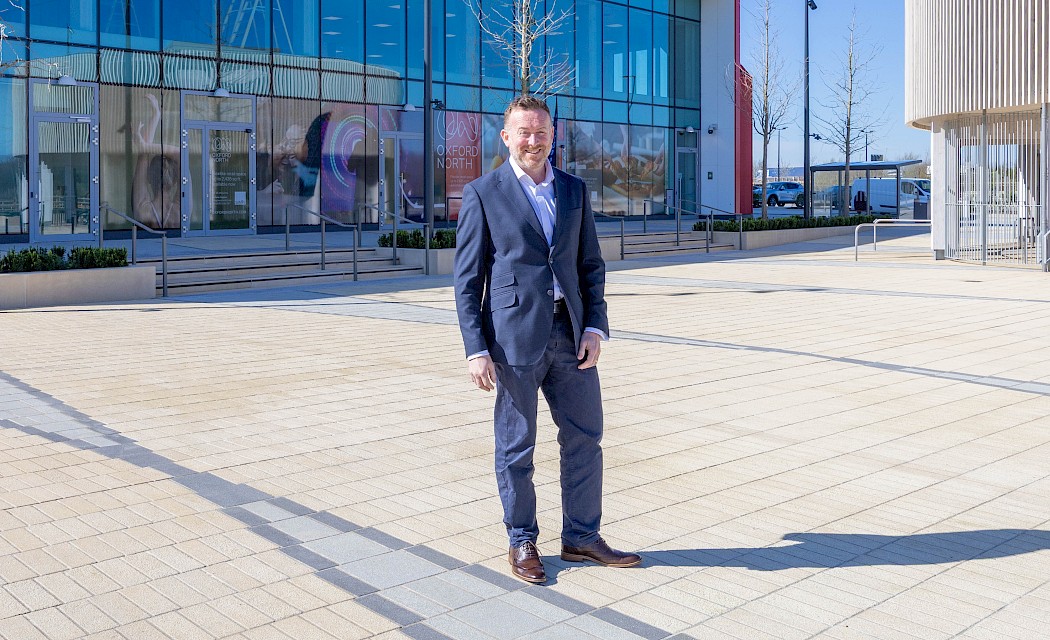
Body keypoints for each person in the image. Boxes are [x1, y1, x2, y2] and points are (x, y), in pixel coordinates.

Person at [454, 95, 640, 584]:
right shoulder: (483, 193)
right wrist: (476, 348)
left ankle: (581, 537)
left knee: (585, 438)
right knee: (517, 446)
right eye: (524, 132)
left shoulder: (574, 190)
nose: (533, 141)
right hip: (512, 340)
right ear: (506, 137)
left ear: (552, 134)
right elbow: (468, 280)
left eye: (541, 132)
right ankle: (522, 540)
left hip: (571, 334)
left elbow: (590, 265)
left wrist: (595, 325)